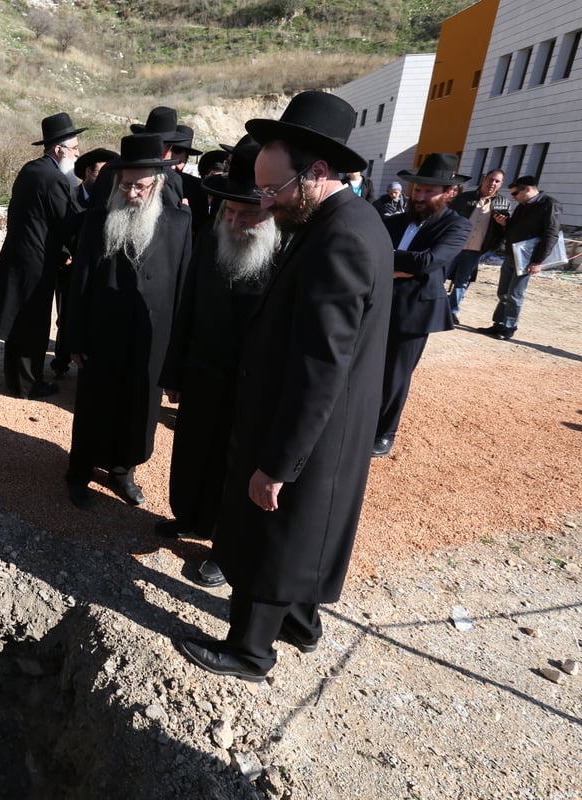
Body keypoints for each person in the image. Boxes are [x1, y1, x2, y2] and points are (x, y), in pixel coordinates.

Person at [178, 91, 392, 683]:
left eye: (273, 190)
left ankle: (250, 650)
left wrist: (278, 462)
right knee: (299, 533)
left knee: (271, 530)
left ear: (317, 171)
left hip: (305, 429)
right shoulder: (344, 220)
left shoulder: (340, 238)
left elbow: (322, 364)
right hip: (318, 426)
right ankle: (299, 621)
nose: (266, 203)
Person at [158, 135, 283, 590]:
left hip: (251, 387)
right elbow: (188, 303)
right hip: (203, 372)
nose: (235, 221)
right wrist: (173, 370)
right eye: (229, 211)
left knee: (236, 467)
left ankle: (225, 550)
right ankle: (192, 517)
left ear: (270, 213)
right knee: (195, 453)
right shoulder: (216, 234)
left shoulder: (285, 253)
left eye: (246, 214)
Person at [64, 133, 191, 509]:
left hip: (153, 338)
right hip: (103, 334)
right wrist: (75, 338)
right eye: (126, 184)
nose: (132, 192)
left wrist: (177, 353)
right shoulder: (100, 218)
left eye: (140, 186)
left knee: (140, 408)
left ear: (158, 183)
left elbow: (183, 287)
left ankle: (123, 472)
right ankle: (79, 472)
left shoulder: (181, 223)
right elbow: (81, 280)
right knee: (93, 406)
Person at [373, 154, 471, 458]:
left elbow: (428, 262)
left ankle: (384, 432)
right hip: (376, 302)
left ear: (449, 192)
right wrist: (400, 263)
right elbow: (369, 252)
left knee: (395, 375)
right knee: (364, 366)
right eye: (417, 189)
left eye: (430, 191)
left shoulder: (457, 227)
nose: (420, 196)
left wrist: (387, 258)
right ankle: (359, 421)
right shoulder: (393, 220)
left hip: (414, 310)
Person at [0, 112, 85, 399]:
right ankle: (28, 385)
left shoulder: (30, 170)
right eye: (75, 149)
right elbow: (66, 223)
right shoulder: (53, 179)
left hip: (19, 255)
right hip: (37, 263)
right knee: (33, 326)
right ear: (59, 150)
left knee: (18, 323)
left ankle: (14, 380)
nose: (78, 155)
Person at [483, 175, 563, 340]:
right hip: (512, 253)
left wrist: (538, 261)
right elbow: (514, 227)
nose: (514, 197)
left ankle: (509, 327)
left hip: (528, 258)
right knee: (503, 292)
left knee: (515, 294)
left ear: (527, 189)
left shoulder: (549, 204)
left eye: (515, 194)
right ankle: (498, 324)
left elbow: (551, 234)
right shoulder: (523, 205)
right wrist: (504, 223)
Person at [447, 169, 509, 323]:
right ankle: (431, 305)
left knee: (462, 282)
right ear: (483, 179)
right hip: (453, 246)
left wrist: (503, 224)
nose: (492, 184)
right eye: (490, 179)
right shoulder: (465, 198)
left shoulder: (503, 203)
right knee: (438, 275)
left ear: (501, 184)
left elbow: (504, 230)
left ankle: (451, 311)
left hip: (476, 249)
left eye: (497, 181)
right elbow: (448, 217)